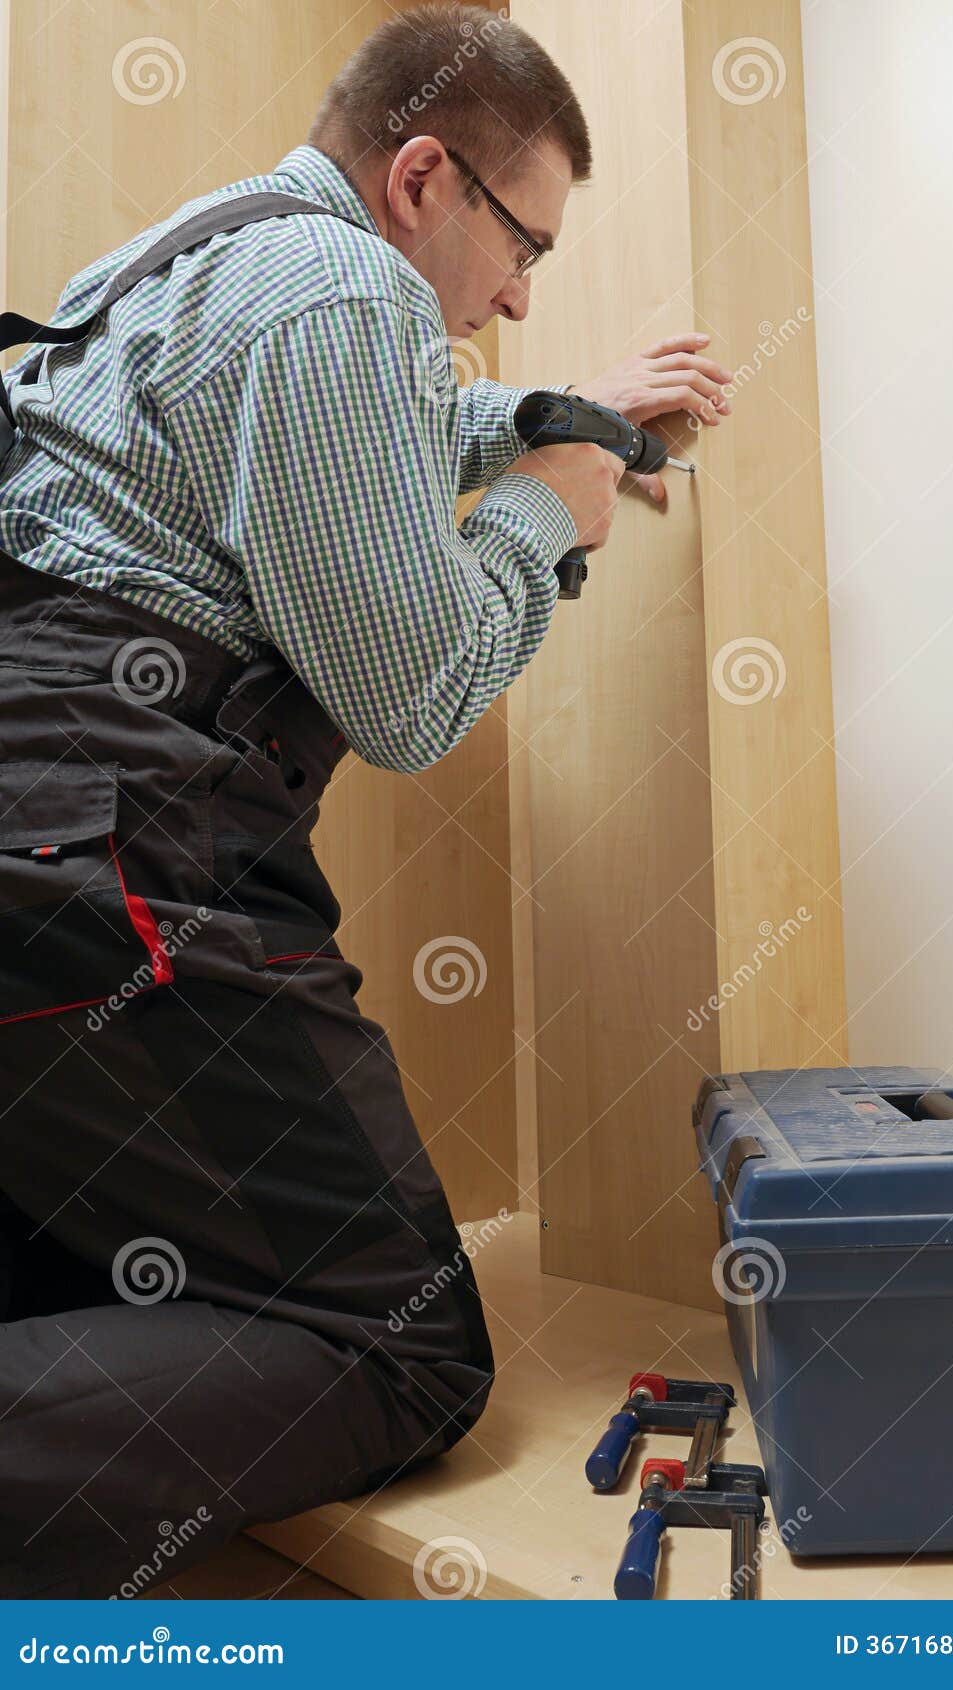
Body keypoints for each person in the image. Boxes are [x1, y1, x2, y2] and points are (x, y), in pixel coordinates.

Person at [0, 1, 732, 1598]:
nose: (523, 293)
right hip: (118, 837)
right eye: (524, 238)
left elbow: (324, 435)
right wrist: (547, 519)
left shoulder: (186, 252)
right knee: (395, 1334)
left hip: (36, 822)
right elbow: (407, 698)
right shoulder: (339, 290)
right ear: (422, 180)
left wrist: (554, 419)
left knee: (76, 1254)